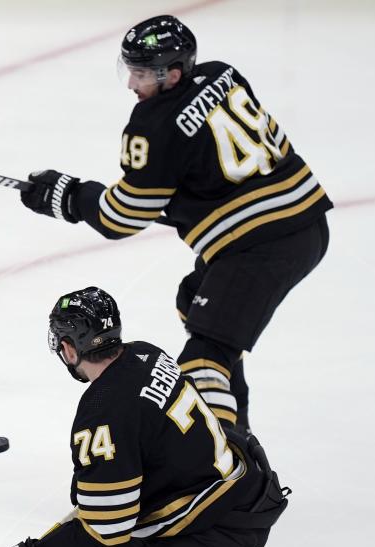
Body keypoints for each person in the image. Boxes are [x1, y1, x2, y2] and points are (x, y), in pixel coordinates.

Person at [18, 15, 331, 436]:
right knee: (195, 299)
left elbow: (122, 216)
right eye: (130, 70)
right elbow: (210, 168)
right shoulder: (222, 74)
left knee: (204, 357)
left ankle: (223, 470)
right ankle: (239, 432)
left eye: (143, 73)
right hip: (303, 221)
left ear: (175, 73)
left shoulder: (154, 124)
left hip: (259, 245)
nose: (132, 84)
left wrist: (68, 196)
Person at [0, 286, 288, 547]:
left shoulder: (102, 414)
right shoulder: (146, 354)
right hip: (209, 495)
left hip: (222, 524)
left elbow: (106, 529)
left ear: (68, 347)